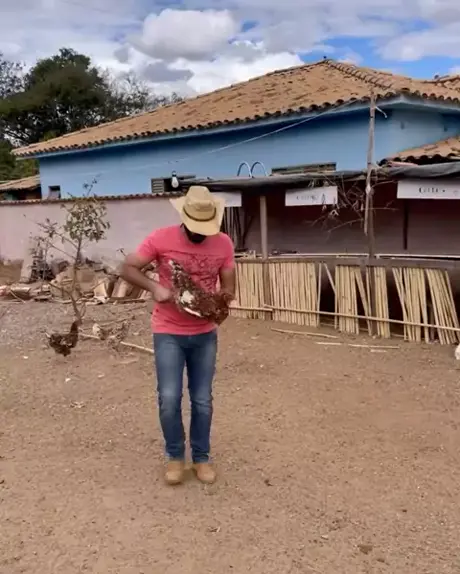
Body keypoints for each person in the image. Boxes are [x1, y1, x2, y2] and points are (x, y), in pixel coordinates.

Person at [121, 185, 236, 486]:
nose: (200, 233)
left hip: (204, 334)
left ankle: (201, 458)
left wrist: (220, 300)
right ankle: (175, 456)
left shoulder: (224, 243)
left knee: (202, 400)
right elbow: (128, 268)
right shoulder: (161, 238)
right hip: (168, 331)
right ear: (184, 217)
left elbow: (229, 286)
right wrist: (154, 287)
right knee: (169, 398)